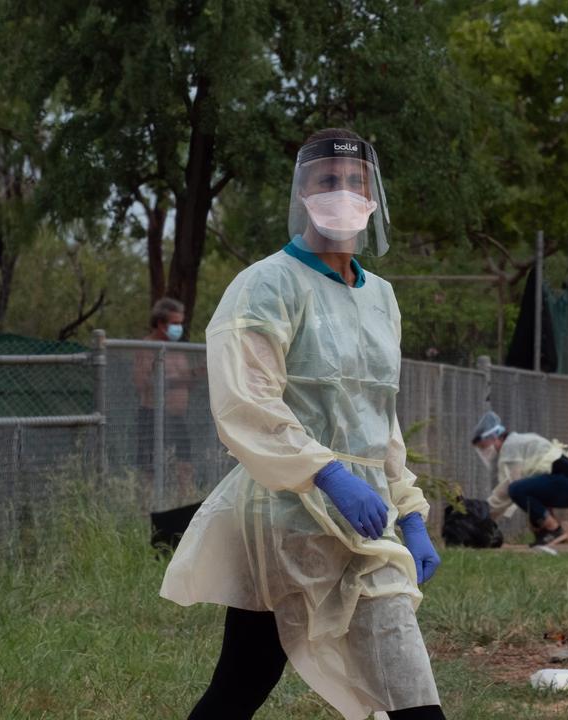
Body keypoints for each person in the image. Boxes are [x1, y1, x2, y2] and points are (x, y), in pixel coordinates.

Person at [161, 128, 446, 720]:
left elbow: (379, 415)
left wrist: (411, 510)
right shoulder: (266, 285)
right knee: (241, 685)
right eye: (326, 181)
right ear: (301, 193)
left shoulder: (382, 297)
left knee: (408, 686)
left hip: (365, 523)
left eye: (354, 182)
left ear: (373, 197)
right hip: (285, 518)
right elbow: (247, 403)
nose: (341, 192)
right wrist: (326, 474)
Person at [471, 411, 568, 547]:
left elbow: (510, 487)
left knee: (516, 489)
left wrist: (484, 514)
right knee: (528, 495)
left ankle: (554, 530)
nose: (484, 450)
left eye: (483, 446)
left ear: (493, 436)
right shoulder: (520, 441)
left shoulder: (510, 446)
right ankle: (550, 534)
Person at [133, 298, 200, 501]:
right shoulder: (146, 347)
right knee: (149, 470)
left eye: (181, 323)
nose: (179, 328)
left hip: (177, 418)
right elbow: (140, 382)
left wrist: (197, 373)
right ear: (161, 324)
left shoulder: (178, 349)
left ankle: (184, 510)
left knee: (185, 465)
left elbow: (188, 381)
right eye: (175, 323)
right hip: (152, 415)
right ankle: (146, 514)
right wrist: (174, 380)